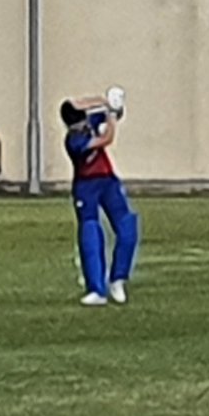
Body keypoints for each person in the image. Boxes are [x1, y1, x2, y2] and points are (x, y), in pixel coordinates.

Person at [61, 90, 138, 306]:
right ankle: (96, 288)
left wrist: (108, 102)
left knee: (127, 226)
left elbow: (81, 103)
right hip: (86, 186)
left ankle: (118, 278)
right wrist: (111, 116)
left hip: (108, 181)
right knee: (91, 231)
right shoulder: (74, 141)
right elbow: (107, 139)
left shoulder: (86, 120)